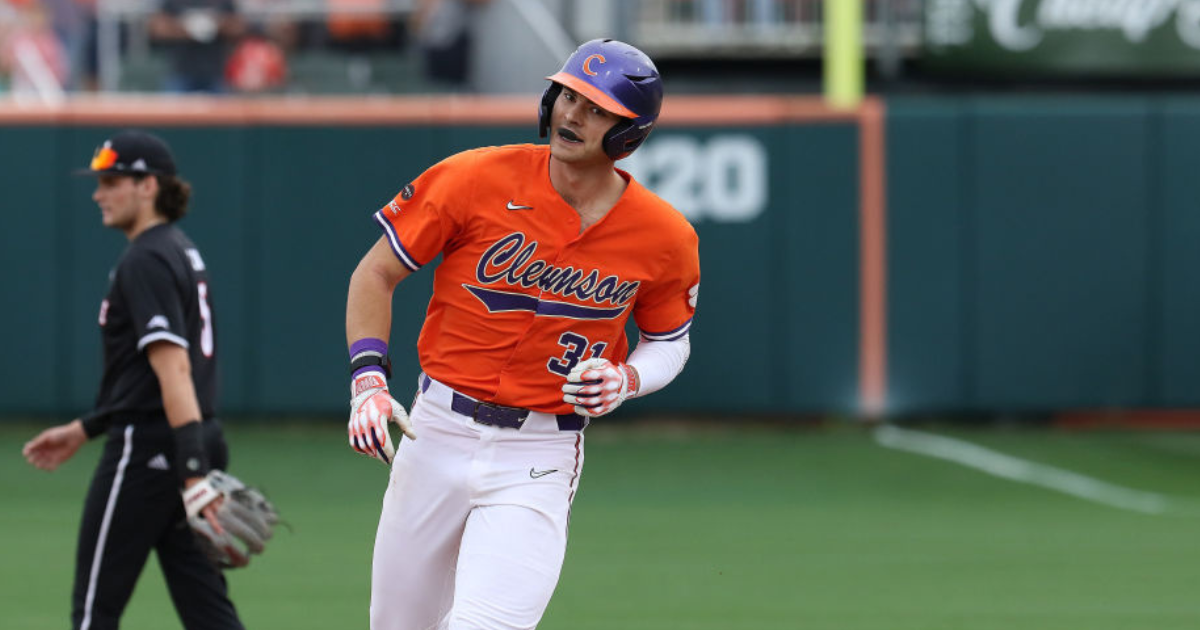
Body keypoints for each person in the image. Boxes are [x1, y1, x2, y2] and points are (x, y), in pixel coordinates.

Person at [345, 38, 700, 630]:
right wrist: (368, 380)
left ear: (629, 132)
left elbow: (670, 341)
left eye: (595, 107)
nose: (571, 114)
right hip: (434, 430)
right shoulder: (475, 176)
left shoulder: (664, 235)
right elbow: (375, 273)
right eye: (567, 94)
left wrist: (627, 378)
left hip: (538, 450)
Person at [22, 130, 247, 630]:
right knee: (208, 611)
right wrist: (88, 427)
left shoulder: (145, 257)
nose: (99, 193)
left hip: (149, 450)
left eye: (112, 180)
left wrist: (190, 471)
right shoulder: (180, 249)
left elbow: (174, 367)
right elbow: (150, 375)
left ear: (149, 186)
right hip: (191, 438)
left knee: (93, 613)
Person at [148, 0, 244, 93]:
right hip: (180, 72)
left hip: (215, 73)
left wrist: (214, 25)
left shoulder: (222, 2)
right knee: (171, 107)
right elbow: (157, 28)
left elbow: (239, 27)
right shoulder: (173, 2)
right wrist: (188, 28)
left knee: (225, 107)